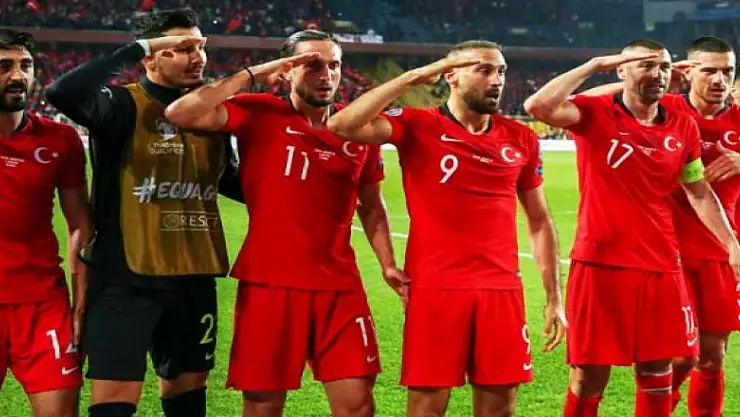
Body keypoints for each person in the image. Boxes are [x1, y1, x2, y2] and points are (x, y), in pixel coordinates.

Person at [165, 29, 403, 417]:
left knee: (358, 404)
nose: (326, 75)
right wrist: (254, 74)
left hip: (340, 287)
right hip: (269, 283)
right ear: (287, 70)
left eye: (334, 65)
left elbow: (372, 206)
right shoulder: (260, 112)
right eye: (312, 65)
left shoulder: (358, 129)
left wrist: (388, 264)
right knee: (263, 404)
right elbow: (180, 113)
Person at [325, 40, 566, 417]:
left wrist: (555, 297)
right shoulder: (417, 125)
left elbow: (539, 221)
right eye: (484, 70)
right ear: (450, 76)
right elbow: (341, 125)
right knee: (426, 407)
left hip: (501, 289)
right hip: (436, 288)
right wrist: (415, 76)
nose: (497, 80)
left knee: (500, 407)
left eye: (501, 71)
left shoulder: (521, 138)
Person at [523, 38, 740, 416]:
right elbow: (538, 106)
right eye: (647, 65)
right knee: (589, 377)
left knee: (663, 370)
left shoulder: (682, 126)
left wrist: (732, 243)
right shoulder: (597, 113)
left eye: (664, 67)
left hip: (662, 265)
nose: (657, 74)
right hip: (600, 263)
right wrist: (597, 64)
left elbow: (698, 190)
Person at [45, 9, 243, 417]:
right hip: (125, 278)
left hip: (194, 274)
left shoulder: (213, 112)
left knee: (188, 394)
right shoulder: (120, 104)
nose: (197, 57)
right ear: (150, 56)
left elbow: (231, 180)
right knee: (115, 400)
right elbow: (63, 93)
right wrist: (135, 48)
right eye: (182, 48)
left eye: (201, 46)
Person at [0, 29, 92, 417]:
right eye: (4, 67)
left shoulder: (60, 139)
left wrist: (81, 305)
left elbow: (80, 224)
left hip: (43, 306)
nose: (18, 76)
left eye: (25, 65)